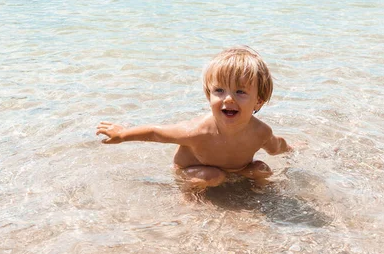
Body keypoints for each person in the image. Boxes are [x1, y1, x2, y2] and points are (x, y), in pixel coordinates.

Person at [96, 46, 292, 191]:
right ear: (209, 95)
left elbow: (276, 146)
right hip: (194, 172)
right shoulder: (197, 131)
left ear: (258, 101)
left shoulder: (260, 132)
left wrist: (293, 149)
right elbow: (156, 133)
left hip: (236, 171)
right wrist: (122, 134)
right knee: (211, 176)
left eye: (240, 91)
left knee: (261, 169)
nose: (228, 98)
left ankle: (259, 199)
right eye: (219, 90)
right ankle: (189, 203)